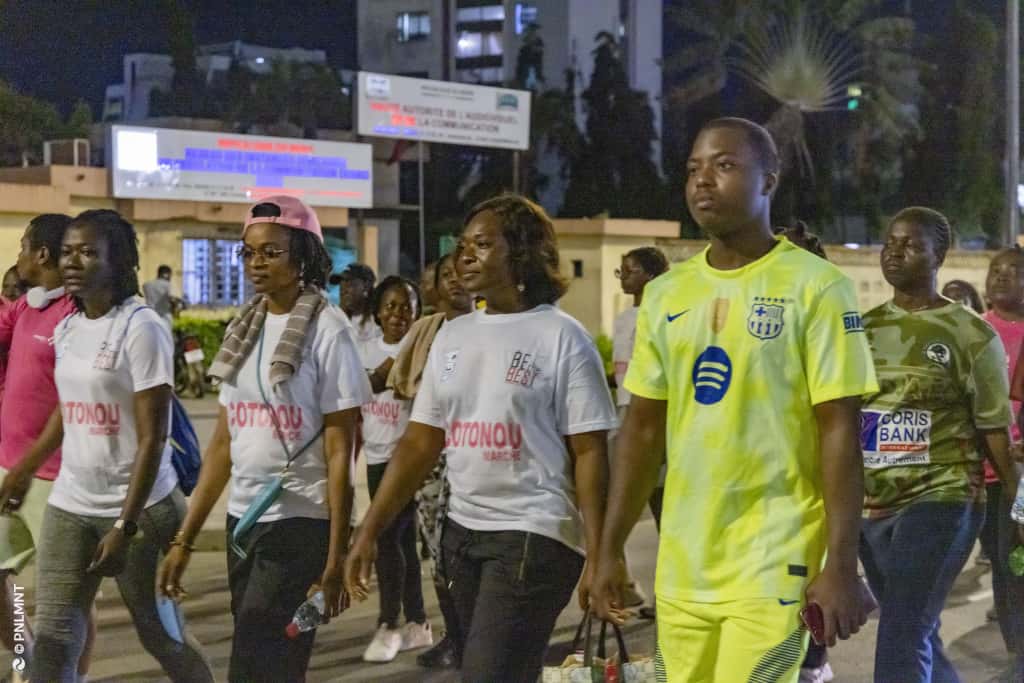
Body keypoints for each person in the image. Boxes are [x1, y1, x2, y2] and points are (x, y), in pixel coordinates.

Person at [591, 118, 878, 682]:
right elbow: (642, 430)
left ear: (768, 180)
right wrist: (608, 547)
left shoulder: (817, 287)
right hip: (684, 565)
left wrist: (842, 562)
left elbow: (839, 430)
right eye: (693, 169)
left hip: (775, 561)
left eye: (724, 166)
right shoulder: (666, 294)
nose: (703, 180)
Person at [346, 194, 618, 682]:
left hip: (534, 534)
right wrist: (369, 529)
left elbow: (590, 453)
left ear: (522, 253)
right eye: (463, 245)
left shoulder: (563, 338)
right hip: (462, 535)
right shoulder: (453, 335)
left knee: (486, 673)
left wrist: (602, 556)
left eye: (483, 244)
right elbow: (420, 443)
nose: (464, 256)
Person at [158, 196, 369, 683]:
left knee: (254, 661)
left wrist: (336, 555)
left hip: (299, 522)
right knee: (274, 663)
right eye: (249, 252)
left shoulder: (328, 331)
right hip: (244, 520)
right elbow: (222, 446)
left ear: (304, 256)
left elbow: (342, 450)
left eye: (271, 252)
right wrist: (184, 540)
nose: (256, 263)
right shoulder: (244, 329)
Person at [0, 209, 213, 682]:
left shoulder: (142, 327)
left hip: (142, 509)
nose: (73, 262)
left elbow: (154, 436)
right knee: (54, 640)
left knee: (162, 637)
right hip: (71, 503)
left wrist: (125, 524)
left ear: (117, 261)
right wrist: (25, 468)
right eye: (68, 252)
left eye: (88, 252)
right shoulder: (70, 326)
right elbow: (67, 410)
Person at [858, 207, 1017, 683]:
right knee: (915, 630)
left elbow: (994, 429)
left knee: (901, 632)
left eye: (910, 244)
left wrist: (1018, 508)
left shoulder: (971, 333)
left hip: (942, 497)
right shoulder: (859, 329)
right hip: (872, 505)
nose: (895, 252)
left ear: (939, 255)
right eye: (890, 242)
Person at [0, 215, 95, 683]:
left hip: (54, 478)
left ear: (41, 254)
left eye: (23, 246)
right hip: (9, 469)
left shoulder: (75, 317)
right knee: (8, 584)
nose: (18, 255)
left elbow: (72, 403)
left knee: (68, 600)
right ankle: (28, 658)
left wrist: (26, 468)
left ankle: (70, 677)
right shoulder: (28, 305)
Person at [384, 253, 474, 670]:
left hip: (472, 456)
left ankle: (478, 638)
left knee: (471, 555)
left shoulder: (489, 328)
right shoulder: (427, 331)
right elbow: (393, 378)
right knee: (438, 553)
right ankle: (455, 636)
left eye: (460, 272)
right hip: (431, 460)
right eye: (445, 275)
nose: (455, 280)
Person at [358, 274, 431, 663]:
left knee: (387, 540)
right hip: (376, 457)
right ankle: (418, 623)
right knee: (401, 544)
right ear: (377, 312)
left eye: (407, 306)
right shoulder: (364, 350)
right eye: (390, 306)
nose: (399, 314)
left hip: (407, 461)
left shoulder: (420, 349)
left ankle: (388, 624)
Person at [611, 246, 670, 620]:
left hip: (653, 422)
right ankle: (623, 586)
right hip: (623, 418)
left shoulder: (663, 314)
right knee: (611, 512)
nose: (623, 278)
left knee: (665, 513)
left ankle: (670, 597)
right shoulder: (623, 319)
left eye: (629, 270)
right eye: (620, 271)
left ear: (651, 275)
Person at [981, 246, 1024, 676]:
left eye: (1014, 271)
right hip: (987, 473)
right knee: (1002, 560)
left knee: (1017, 560)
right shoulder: (973, 331)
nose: (1002, 277)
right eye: (996, 270)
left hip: (1019, 474)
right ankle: (1016, 652)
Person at [335, 263, 382, 351]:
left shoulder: (378, 322)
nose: (343, 288)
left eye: (349, 282)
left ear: (366, 286)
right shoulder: (334, 318)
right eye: (341, 282)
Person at [143, 265, 175, 329]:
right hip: (164, 316)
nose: (170, 277)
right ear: (166, 274)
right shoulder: (167, 285)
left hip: (150, 316)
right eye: (170, 275)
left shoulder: (147, 285)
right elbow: (172, 299)